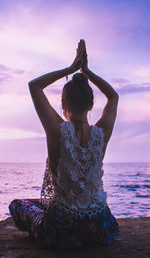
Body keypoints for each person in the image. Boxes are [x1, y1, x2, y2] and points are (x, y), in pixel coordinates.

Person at [9, 39, 119, 250]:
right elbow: (113, 96)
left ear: (64, 104)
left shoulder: (57, 130)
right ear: (91, 104)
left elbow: (34, 86)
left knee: (19, 205)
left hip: (64, 230)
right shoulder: (101, 133)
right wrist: (87, 72)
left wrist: (70, 69)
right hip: (101, 227)